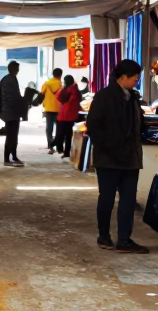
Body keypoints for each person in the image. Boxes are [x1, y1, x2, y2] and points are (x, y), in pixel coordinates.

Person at [85, 59, 149, 253]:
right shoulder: (104, 96)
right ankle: (103, 236)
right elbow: (93, 126)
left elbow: (138, 122)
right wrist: (110, 147)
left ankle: (124, 239)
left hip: (130, 158)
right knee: (106, 198)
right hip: (109, 159)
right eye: (135, 78)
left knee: (128, 200)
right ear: (122, 78)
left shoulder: (133, 97)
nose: (137, 81)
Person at [0, 61, 26, 167]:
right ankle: (7, 158)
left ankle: (14, 156)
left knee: (14, 136)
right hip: (10, 111)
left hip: (13, 111)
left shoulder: (11, 78)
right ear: (12, 69)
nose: (18, 70)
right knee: (11, 136)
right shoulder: (8, 80)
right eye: (16, 68)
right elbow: (11, 98)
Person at [54, 74, 81, 160]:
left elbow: (57, 97)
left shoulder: (64, 89)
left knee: (60, 134)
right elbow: (76, 100)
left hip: (62, 115)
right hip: (71, 116)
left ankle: (59, 148)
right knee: (68, 135)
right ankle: (66, 152)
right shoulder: (75, 90)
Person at [40, 67, 63, 154]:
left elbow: (41, 94)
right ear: (60, 75)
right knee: (59, 128)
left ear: (53, 74)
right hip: (58, 109)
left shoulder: (47, 83)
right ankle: (58, 145)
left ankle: (50, 145)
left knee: (49, 128)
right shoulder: (60, 84)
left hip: (48, 108)